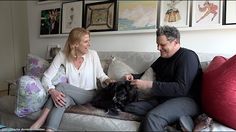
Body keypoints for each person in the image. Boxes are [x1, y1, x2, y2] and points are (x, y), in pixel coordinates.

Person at [30, 27, 115, 131]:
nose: (89, 44)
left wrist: (109, 81)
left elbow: (101, 75)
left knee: (61, 87)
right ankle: (50, 130)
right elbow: (46, 77)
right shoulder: (62, 55)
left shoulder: (93, 55)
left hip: (89, 94)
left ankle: (40, 121)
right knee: (61, 101)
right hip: (72, 97)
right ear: (75, 44)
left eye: (89, 41)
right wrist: (52, 92)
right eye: (86, 41)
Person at [123, 25, 202, 131]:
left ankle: (172, 118)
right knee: (129, 107)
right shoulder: (163, 58)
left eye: (162, 44)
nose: (158, 48)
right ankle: (176, 120)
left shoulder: (188, 57)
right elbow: (147, 73)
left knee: (152, 118)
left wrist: (149, 85)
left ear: (175, 42)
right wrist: (132, 76)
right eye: (157, 44)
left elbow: (182, 88)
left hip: (187, 100)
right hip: (164, 98)